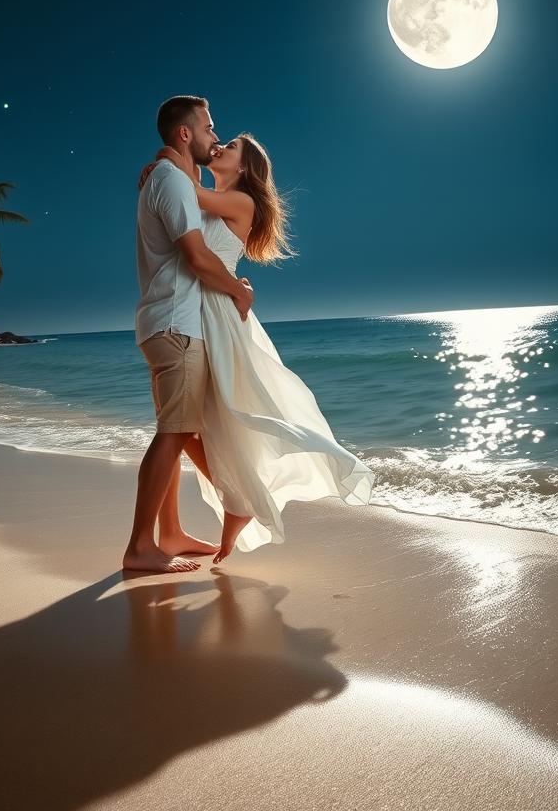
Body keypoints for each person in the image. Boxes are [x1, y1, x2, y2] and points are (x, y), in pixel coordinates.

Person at [139, 118, 374, 565]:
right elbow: (182, 203)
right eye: (220, 139)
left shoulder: (240, 201)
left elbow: (183, 195)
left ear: (244, 168)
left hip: (218, 315)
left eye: (230, 146)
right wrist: (165, 166)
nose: (221, 145)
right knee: (193, 421)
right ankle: (234, 503)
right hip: (199, 311)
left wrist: (163, 161)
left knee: (213, 414)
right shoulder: (213, 195)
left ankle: (238, 501)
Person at [123, 95, 254, 574]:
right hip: (177, 325)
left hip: (168, 322)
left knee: (177, 432)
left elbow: (197, 203)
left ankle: (171, 531)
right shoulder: (172, 180)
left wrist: (163, 160)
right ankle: (142, 547)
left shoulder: (174, 178)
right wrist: (240, 296)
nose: (214, 137)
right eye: (208, 128)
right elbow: (199, 258)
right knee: (174, 433)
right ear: (185, 133)